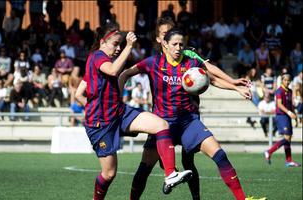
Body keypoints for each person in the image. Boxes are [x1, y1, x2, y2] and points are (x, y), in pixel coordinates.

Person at [120, 18, 255, 199]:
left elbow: (212, 79)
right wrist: (118, 100)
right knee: (143, 170)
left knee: (220, 155)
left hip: (188, 122)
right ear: (164, 44)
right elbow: (126, 73)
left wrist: (235, 87)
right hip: (161, 125)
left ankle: (242, 198)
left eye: (181, 44)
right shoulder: (153, 63)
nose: (178, 48)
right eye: (174, 44)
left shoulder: (191, 63)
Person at [74, 24, 192, 200]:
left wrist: (94, 106)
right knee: (109, 174)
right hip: (101, 124)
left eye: (121, 44)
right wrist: (129, 46)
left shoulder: (97, 61)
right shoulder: (98, 56)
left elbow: (78, 94)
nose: (118, 47)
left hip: (119, 113)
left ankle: (170, 174)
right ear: (102, 42)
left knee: (161, 124)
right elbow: (113, 71)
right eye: (115, 44)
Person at [264, 74, 301, 167]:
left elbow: (290, 105)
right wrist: (289, 112)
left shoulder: (290, 91)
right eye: (285, 80)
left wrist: (294, 115)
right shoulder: (279, 91)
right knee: (287, 138)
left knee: (288, 138)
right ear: (282, 81)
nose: (287, 82)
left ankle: (288, 160)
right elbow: (279, 105)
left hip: (287, 116)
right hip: (281, 116)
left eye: (289, 80)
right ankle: (269, 152)